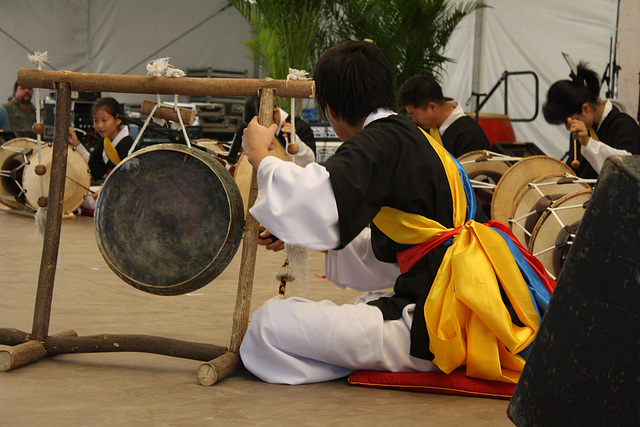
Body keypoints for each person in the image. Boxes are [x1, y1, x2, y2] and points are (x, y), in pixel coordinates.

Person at [239, 41, 553, 385]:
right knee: (359, 305)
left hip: (435, 322)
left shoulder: (380, 142)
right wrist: (308, 237)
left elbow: (318, 198)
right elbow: (399, 248)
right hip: (462, 301)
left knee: (268, 325)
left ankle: (369, 361)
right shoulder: (422, 140)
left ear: (331, 110)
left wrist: (260, 155)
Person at [543, 61, 640, 178]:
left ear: (585, 108)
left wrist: (588, 142)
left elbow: (627, 170)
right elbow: (573, 172)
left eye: (567, 121)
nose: (568, 127)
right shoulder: (583, 128)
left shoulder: (623, 124)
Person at [397, 74, 490, 158]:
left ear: (432, 107)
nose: (413, 120)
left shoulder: (470, 134)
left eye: (414, 114)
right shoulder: (424, 128)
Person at [68, 97, 134, 210]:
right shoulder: (105, 142)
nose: (99, 126)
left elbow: (131, 180)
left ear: (118, 120)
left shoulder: (128, 145)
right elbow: (93, 169)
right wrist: (77, 144)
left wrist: (105, 191)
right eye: (96, 121)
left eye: (104, 120)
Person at [242, 96, 316, 165]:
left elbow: (310, 162)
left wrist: (293, 140)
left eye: (264, 125)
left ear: (276, 112)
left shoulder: (301, 128)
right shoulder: (250, 130)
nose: (261, 129)